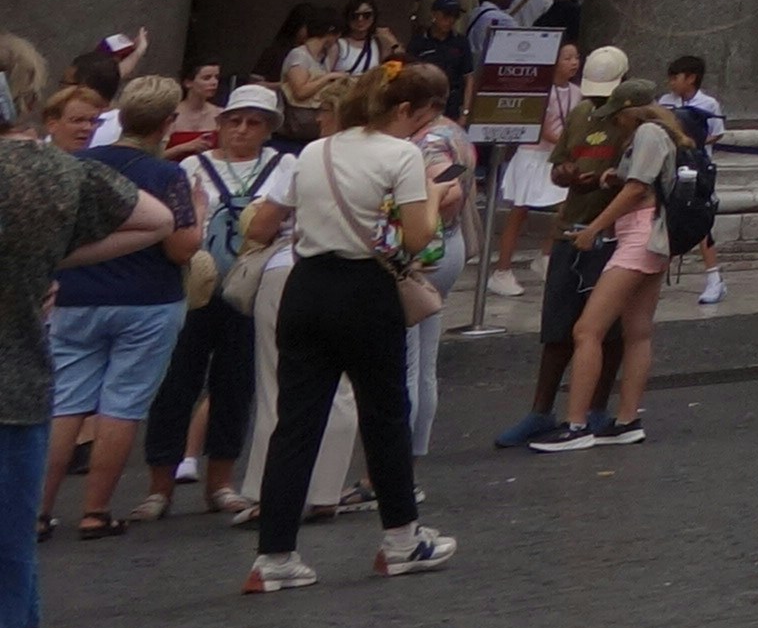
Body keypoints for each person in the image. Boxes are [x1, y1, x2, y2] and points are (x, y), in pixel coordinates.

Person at [225, 61, 454, 596]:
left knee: (295, 420)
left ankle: (275, 556)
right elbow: (420, 238)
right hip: (364, 290)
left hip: (305, 287)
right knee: (384, 414)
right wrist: (435, 196)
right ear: (400, 110)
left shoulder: (312, 150)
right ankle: (401, 540)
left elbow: (272, 215)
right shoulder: (401, 154)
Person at [37, 80, 192, 536]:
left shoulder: (74, 166)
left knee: (64, 404)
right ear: (167, 123)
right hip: (147, 299)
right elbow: (181, 248)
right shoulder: (167, 176)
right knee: (120, 406)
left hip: (77, 295)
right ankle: (95, 511)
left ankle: (37, 511)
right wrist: (196, 214)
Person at [531, 56, 690, 448]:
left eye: (616, 114)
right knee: (636, 332)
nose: (612, 122)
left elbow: (637, 188)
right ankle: (626, 419)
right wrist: (610, 175)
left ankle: (576, 424)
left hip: (637, 237)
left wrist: (595, 229)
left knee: (587, 329)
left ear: (629, 112)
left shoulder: (649, 134)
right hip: (652, 238)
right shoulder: (659, 134)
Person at [148, 82, 287, 517]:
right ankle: (159, 488)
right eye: (234, 120)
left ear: (268, 129)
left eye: (253, 122)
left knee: (235, 385)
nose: (242, 130)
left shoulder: (285, 166)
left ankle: (220, 484)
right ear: (220, 123)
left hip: (251, 290)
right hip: (196, 287)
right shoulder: (193, 165)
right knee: (175, 384)